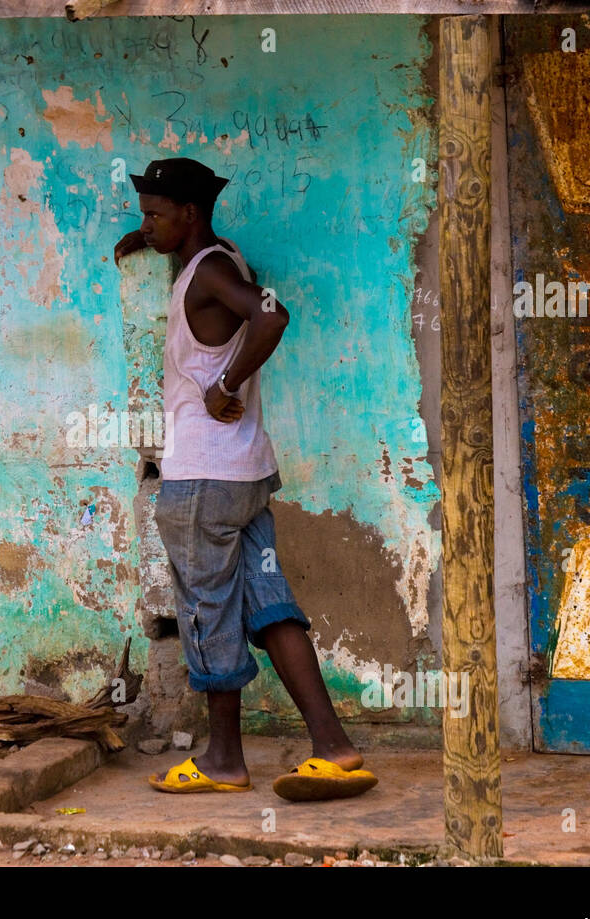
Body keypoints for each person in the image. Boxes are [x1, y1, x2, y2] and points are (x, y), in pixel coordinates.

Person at [113, 158, 377, 800]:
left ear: (190, 215)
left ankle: (223, 759)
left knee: (208, 614)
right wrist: (147, 240)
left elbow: (272, 315)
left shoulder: (210, 270)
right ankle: (335, 748)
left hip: (202, 484)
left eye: (154, 215)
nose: (144, 224)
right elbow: (221, 288)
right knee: (270, 605)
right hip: (245, 477)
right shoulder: (220, 257)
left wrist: (222, 386)